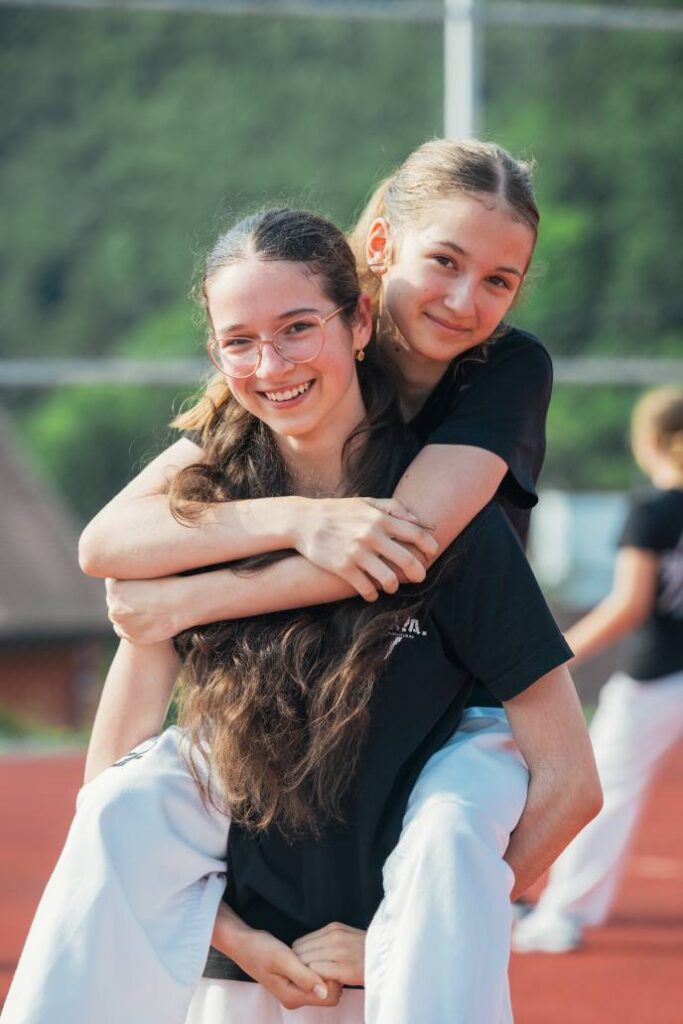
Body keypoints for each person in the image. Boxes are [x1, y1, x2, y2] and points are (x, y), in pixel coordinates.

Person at [82, 139, 598, 1022]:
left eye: (498, 281)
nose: (464, 300)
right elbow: (107, 540)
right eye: (444, 261)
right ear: (380, 247)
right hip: (297, 716)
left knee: (449, 834)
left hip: (454, 696)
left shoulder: (506, 368)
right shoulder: (294, 359)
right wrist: (292, 518)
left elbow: (404, 543)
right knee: (140, 803)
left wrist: (191, 597)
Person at [513, 387, 683, 954]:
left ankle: (563, 915)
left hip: (656, 676)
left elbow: (629, 604)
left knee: (602, 789)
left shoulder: (653, 511)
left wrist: (554, 654)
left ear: (648, 442)